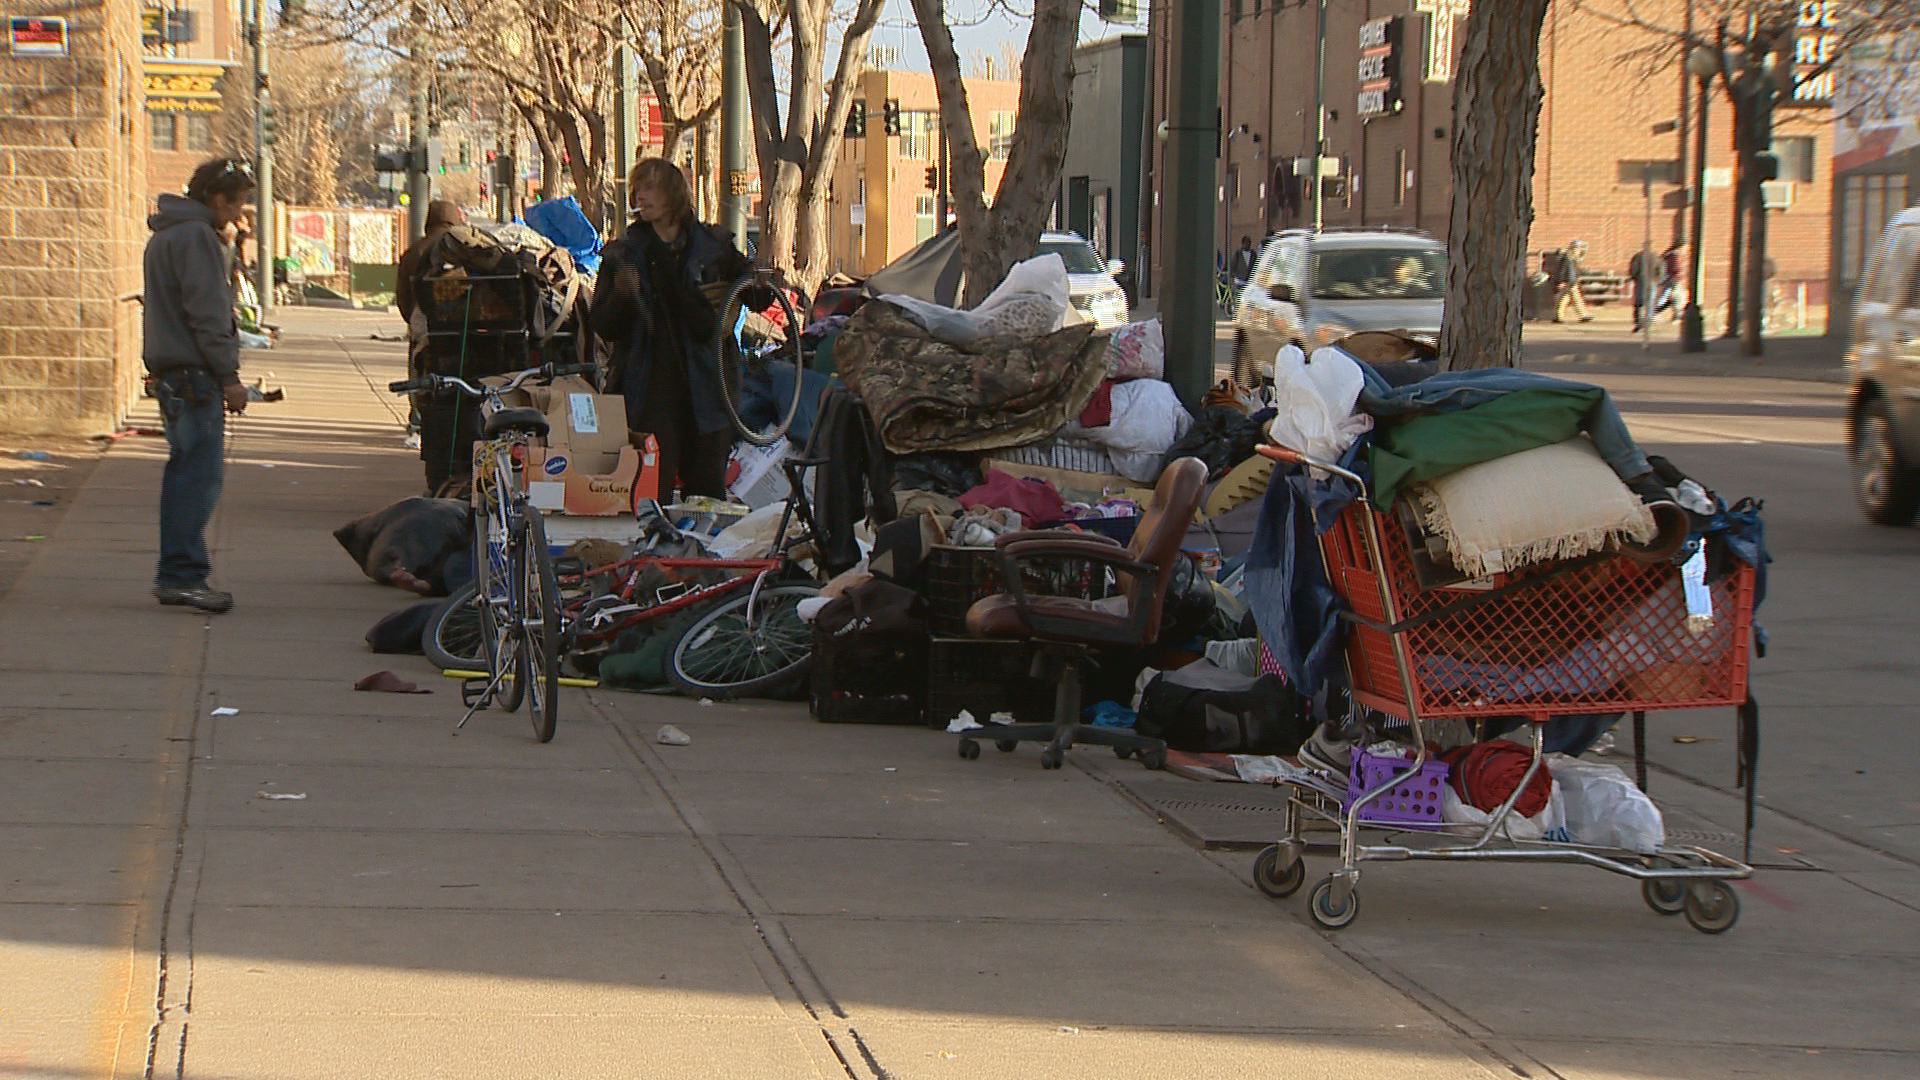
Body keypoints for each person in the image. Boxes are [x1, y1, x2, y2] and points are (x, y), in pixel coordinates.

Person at [591, 158, 753, 498]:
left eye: (650, 187)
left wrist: (759, 284)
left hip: (708, 387)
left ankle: (704, 550)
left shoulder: (714, 247)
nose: (641, 195)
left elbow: (755, 293)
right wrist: (622, 296)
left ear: (673, 194)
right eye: (638, 188)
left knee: (707, 492)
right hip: (648, 389)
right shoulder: (624, 254)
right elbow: (604, 325)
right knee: (653, 490)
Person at [144, 157, 255, 614]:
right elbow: (207, 315)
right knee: (198, 479)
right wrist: (229, 377)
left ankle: (177, 571)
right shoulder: (195, 239)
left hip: (173, 371)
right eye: (236, 204)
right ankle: (183, 574)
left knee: (184, 472)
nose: (238, 215)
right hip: (195, 375)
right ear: (215, 197)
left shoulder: (167, 234)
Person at [395, 201, 467, 484]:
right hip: (462, 331)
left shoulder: (414, 252)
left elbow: (403, 297)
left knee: (422, 382)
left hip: (425, 331)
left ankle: (420, 419)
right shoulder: (464, 246)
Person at [1553, 239, 1593, 323]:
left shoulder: (1570, 257)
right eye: (1579, 249)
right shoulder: (1569, 258)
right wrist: (1564, 281)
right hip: (1569, 281)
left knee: (1564, 299)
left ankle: (1558, 316)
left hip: (1569, 281)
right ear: (1575, 248)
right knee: (1576, 298)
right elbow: (1567, 271)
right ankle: (1583, 315)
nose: (1580, 251)